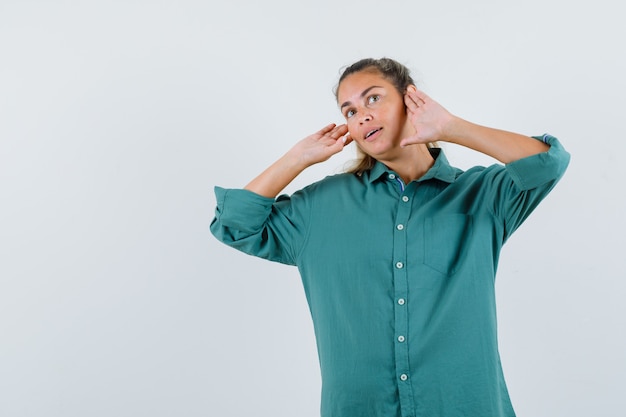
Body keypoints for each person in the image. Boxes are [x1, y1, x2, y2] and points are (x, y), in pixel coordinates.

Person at [210, 57, 570, 417]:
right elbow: (234, 225)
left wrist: (451, 127)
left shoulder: (481, 194)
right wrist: (296, 159)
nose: (361, 115)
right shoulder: (320, 207)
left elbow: (549, 163)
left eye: (372, 99)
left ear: (410, 99)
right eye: (349, 111)